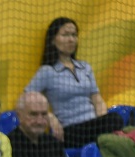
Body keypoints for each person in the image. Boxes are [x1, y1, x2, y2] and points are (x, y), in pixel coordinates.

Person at [25, 17, 123, 149]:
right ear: (53, 40)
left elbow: (97, 99)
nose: (71, 39)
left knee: (115, 119)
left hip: (95, 126)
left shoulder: (85, 67)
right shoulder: (47, 71)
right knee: (115, 121)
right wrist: (49, 117)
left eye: (74, 35)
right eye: (65, 35)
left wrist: (102, 121)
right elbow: (26, 97)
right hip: (70, 131)